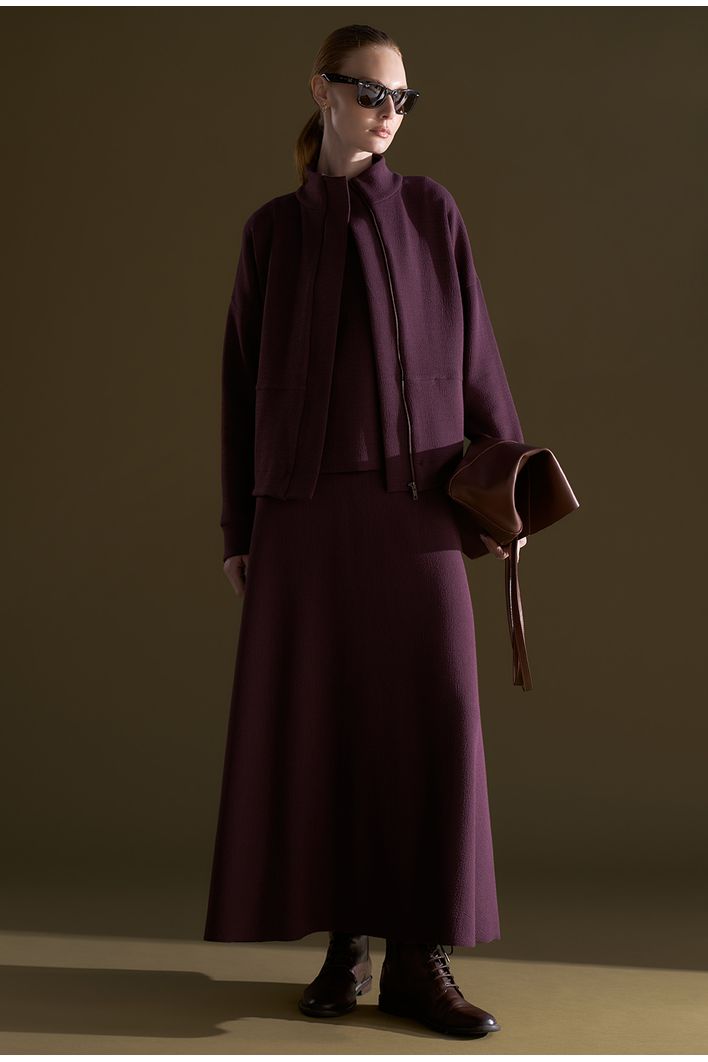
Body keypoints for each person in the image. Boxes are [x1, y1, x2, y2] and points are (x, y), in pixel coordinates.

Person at [203, 23, 527, 1040]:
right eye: (370, 93)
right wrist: (238, 523)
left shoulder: (431, 211)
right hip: (302, 517)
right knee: (327, 727)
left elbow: (477, 353)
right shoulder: (272, 231)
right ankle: (348, 945)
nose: (388, 114)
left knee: (429, 722)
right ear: (322, 91)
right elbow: (239, 386)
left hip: (416, 509)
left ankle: (421, 960)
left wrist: (503, 490)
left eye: (401, 99)